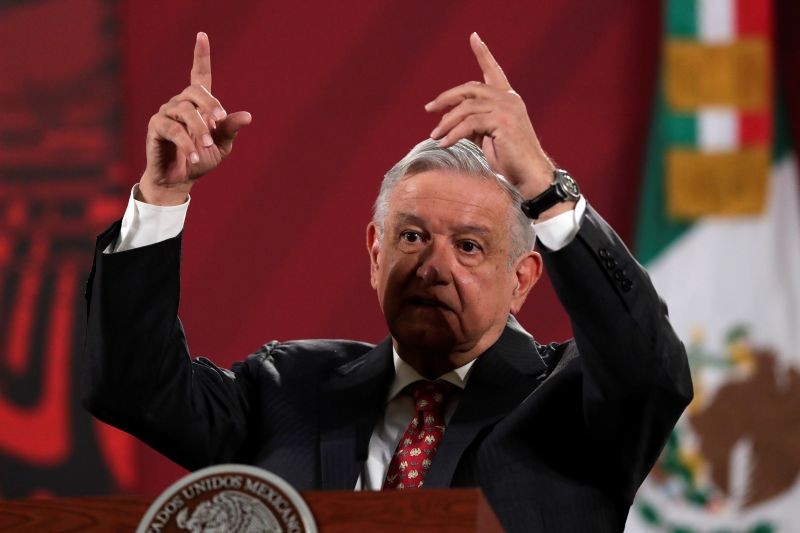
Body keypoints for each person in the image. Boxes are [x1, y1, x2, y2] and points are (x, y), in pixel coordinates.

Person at [83, 32, 692, 532]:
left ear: (522, 278)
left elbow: (651, 371)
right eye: (411, 237)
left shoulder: (572, 402)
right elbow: (133, 386)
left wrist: (544, 187)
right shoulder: (284, 388)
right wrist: (162, 195)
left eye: (470, 247)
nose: (433, 265)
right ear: (375, 254)